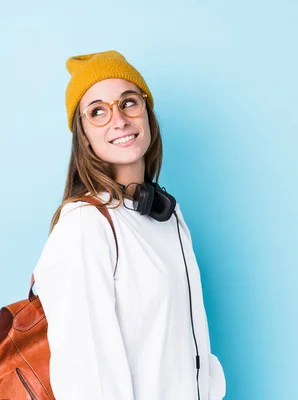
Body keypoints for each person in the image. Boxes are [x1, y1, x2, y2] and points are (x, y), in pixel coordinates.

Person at [32, 50, 226, 400]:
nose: (118, 120)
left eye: (129, 103)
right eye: (97, 112)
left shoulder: (168, 216)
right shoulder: (85, 227)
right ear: (85, 136)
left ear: (147, 114)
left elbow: (190, 347)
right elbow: (87, 377)